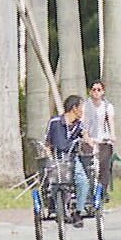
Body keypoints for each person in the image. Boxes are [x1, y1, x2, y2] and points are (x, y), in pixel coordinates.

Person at [45, 95, 93, 225]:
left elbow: (87, 138)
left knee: (82, 181)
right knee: (54, 183)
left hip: (72, 159)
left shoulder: (79, 126)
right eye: (81, 108)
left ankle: (78, 211)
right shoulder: (55, 122)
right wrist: (50, 159)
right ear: (74, 108)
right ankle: (59, 209)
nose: (83, 111)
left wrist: (89, 142)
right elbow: (47, 144)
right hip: (56, 159)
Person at [81, 80, 118, 204]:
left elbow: (111, 121)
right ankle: (88, 192)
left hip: (103, 140)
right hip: (89, 139)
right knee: (87, 165)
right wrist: (86, 138)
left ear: (103, 92)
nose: (96, 92)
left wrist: (112, 135)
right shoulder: (85, 106)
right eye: (94, 90)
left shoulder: (107, 106)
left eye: (99, 90)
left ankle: (103, 191)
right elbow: (83, 124)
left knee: (104, 166)